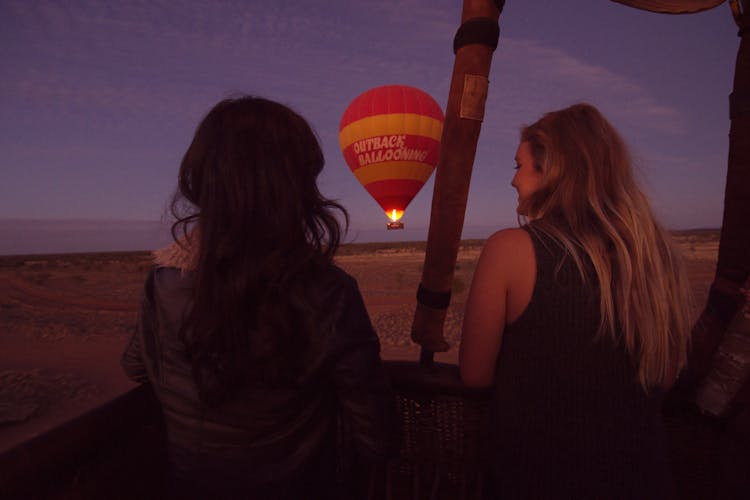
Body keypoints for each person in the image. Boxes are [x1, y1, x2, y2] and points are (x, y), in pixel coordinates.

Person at [121, 96, 398, 499]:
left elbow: (135, 367)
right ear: (296, 190)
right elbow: (378, 436)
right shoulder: (329, 293)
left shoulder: (165, 282)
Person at [459, 103, 691, 499]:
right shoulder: (658, 258)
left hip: (537, 481)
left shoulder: (511, 249)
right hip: (644, 480)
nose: (513, 181)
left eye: (519, 166)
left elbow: (475, 375)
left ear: (551, 170)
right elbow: (663, 378)